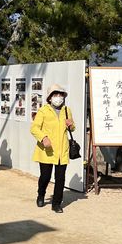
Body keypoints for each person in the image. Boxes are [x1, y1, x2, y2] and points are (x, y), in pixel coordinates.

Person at [29, 84, 75, 213]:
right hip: (47, 151)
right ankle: (41, 194)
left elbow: (72, 128)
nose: (58, 97)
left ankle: (56, 204)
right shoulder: (43, 111)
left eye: (60, 95)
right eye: (55, 95)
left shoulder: (67, 110)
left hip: (62, 150)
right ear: (49, 98)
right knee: (45, 176)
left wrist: (71, 125)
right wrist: (43, 138)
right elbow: (34, 128)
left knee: (60, 178)